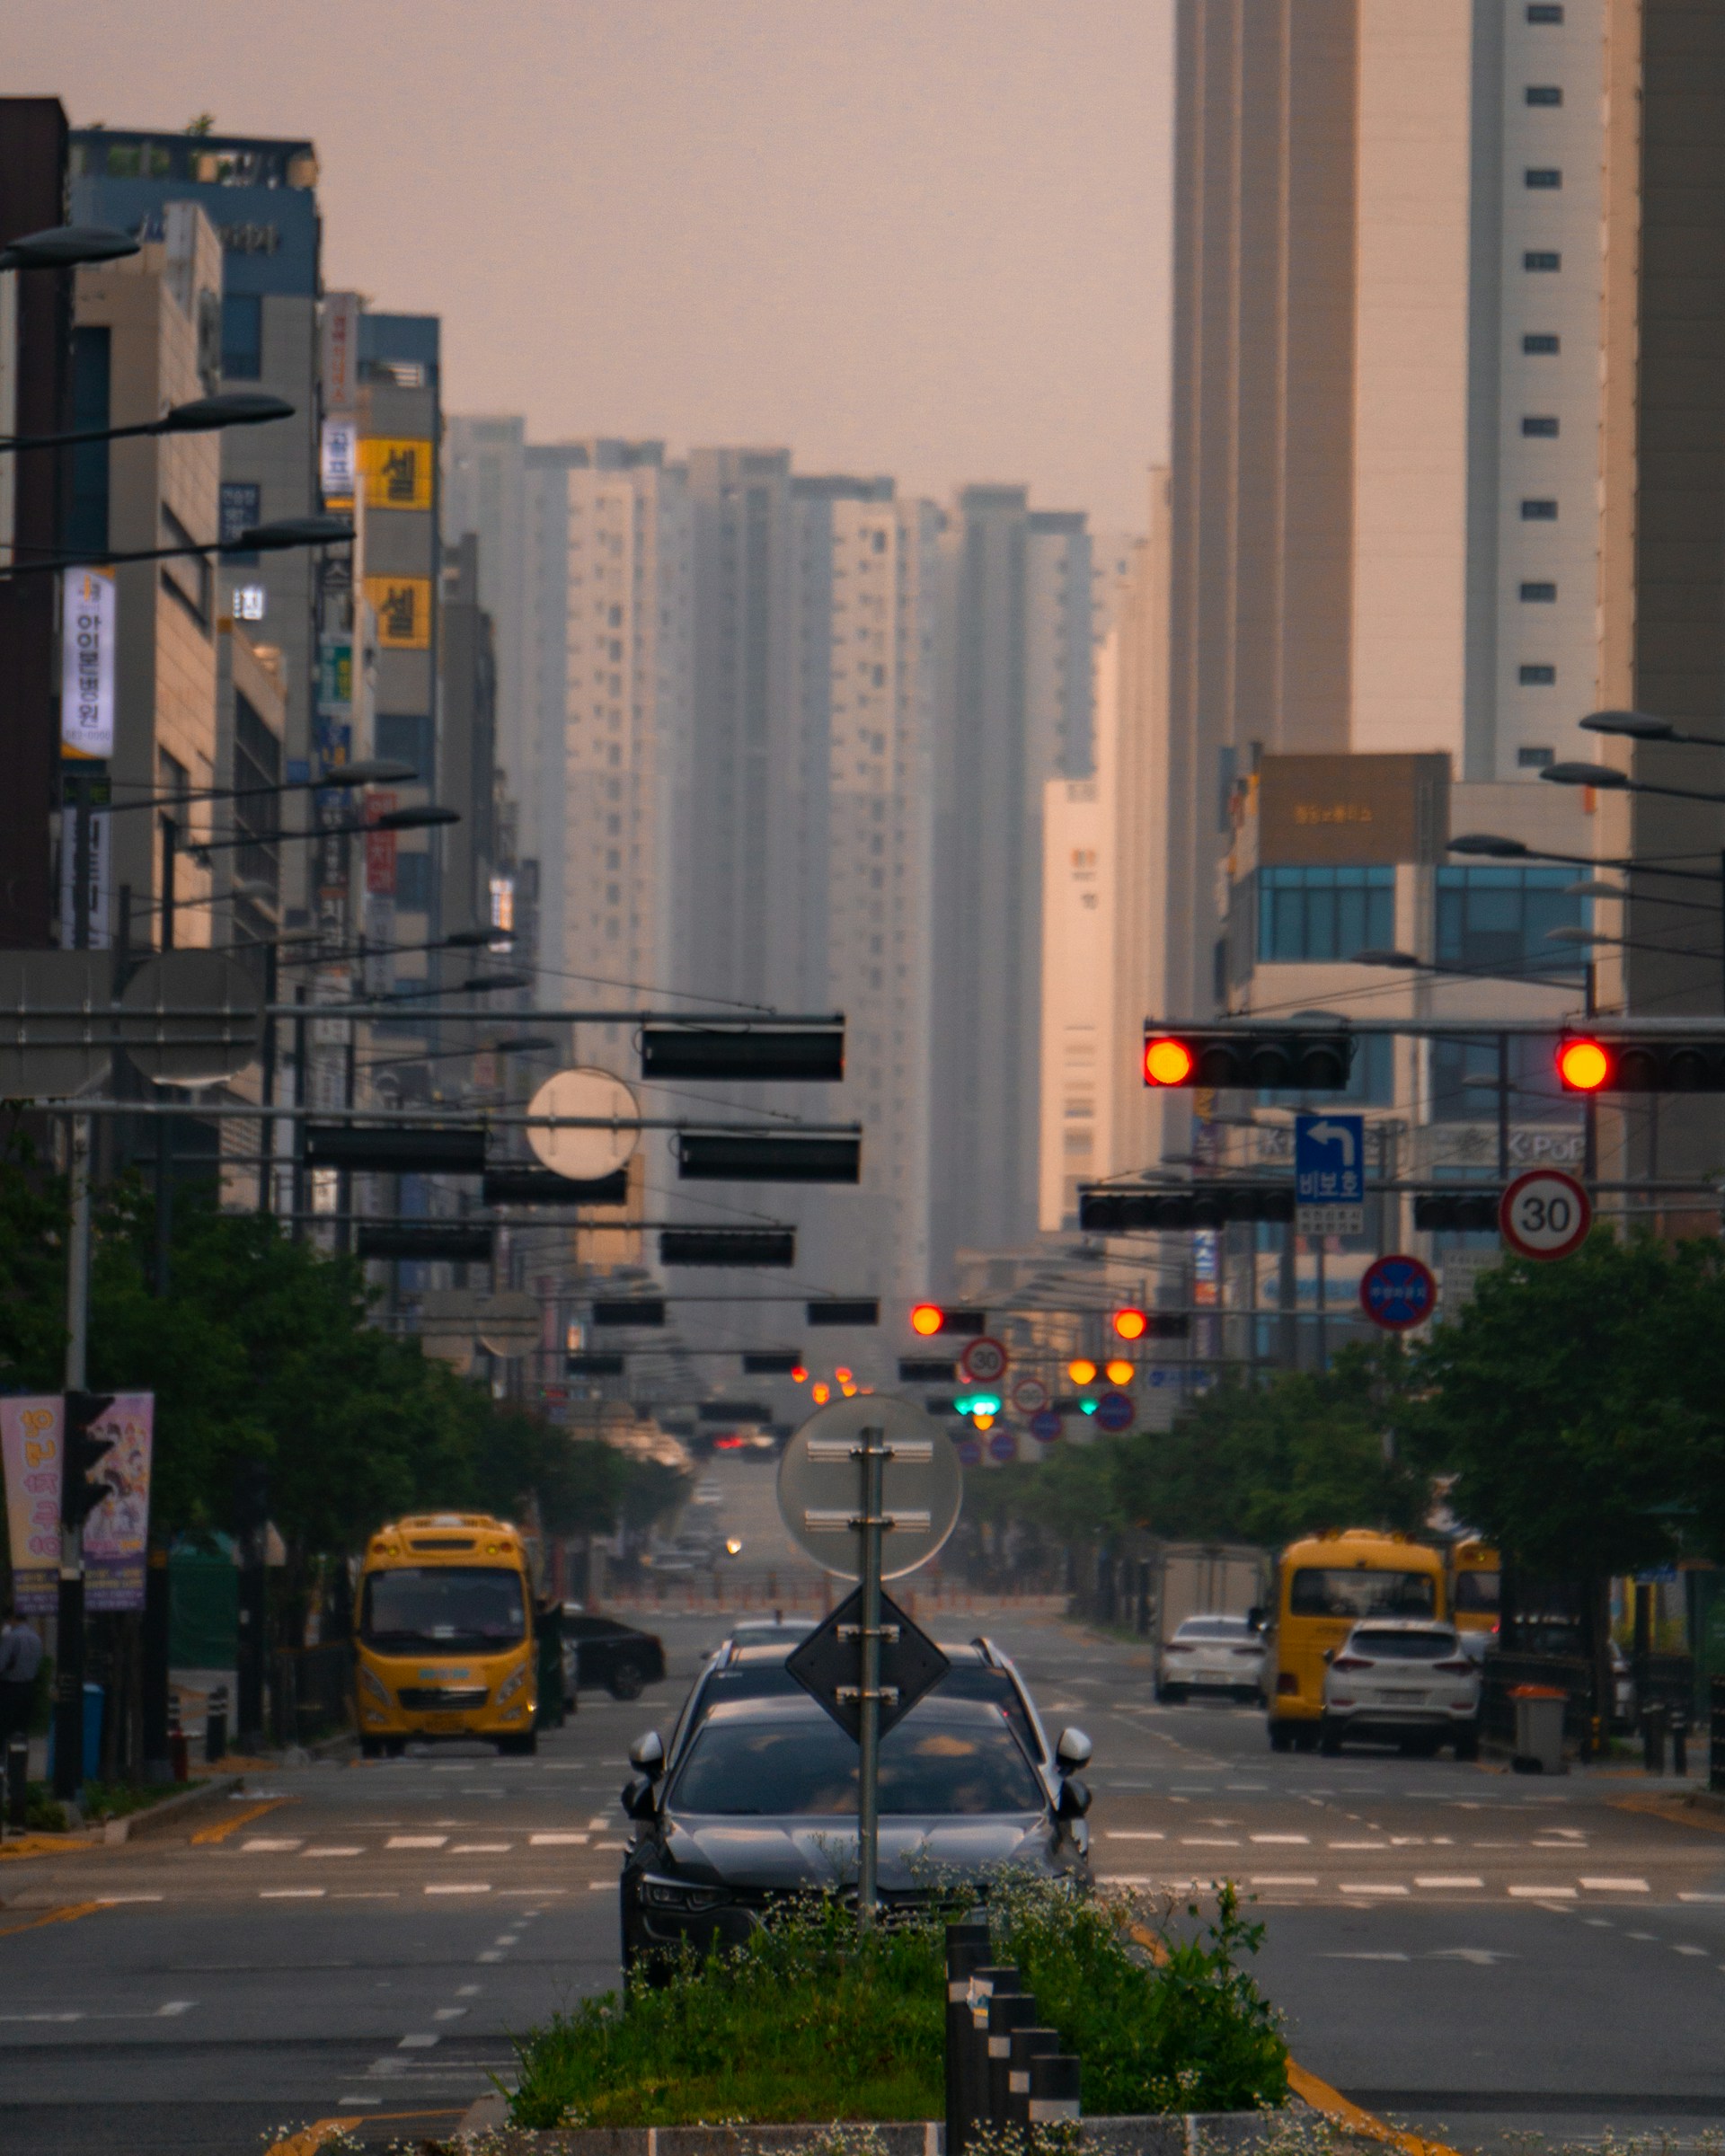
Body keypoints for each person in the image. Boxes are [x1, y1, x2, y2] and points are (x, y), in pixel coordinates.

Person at [0, 1604, 43, 1749]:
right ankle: (17, 1763)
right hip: (29, 1687)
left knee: (4, 1729)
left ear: (12, 1618)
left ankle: (2, 1764)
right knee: (21, 1731)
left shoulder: (12, 1638)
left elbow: (2, 1662)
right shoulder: (36, 1637)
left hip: (10, 1687)